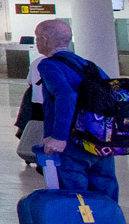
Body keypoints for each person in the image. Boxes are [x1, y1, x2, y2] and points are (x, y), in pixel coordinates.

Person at [34, 18, 121, 202]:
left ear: (45, 39)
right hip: (98, 140)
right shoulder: (88, 65)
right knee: (105, 195)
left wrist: (58, 136)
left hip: (72, 143)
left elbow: (66, 95)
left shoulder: (49, 65)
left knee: (75, 197)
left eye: (37, 37)